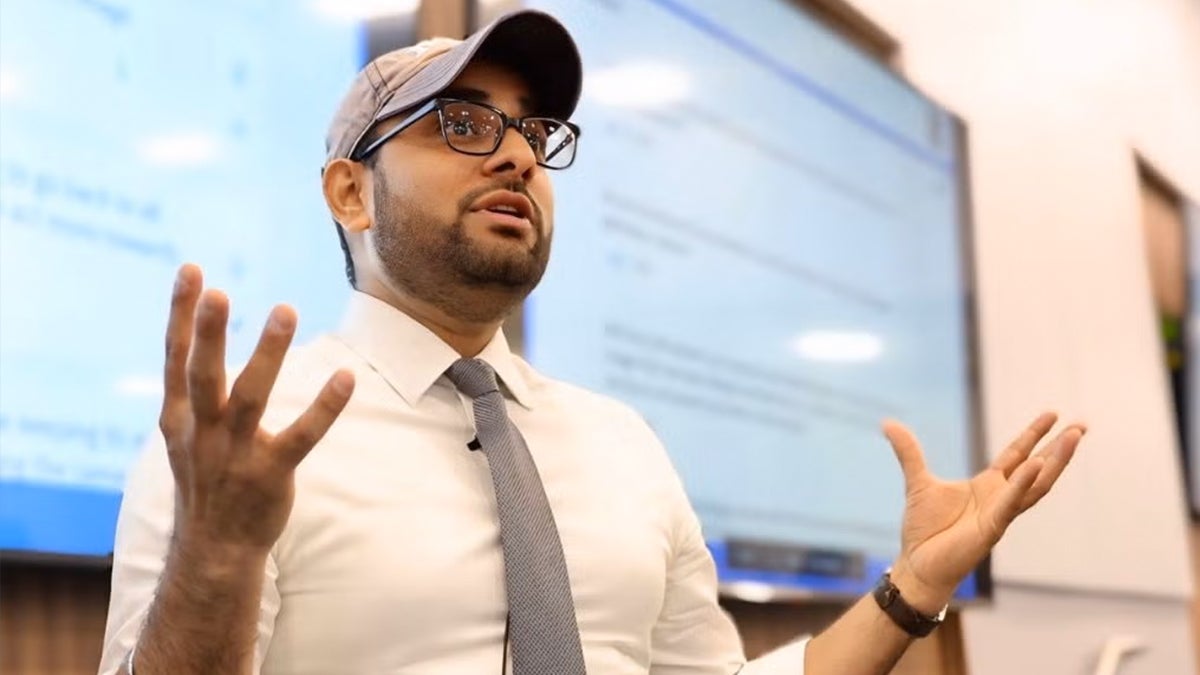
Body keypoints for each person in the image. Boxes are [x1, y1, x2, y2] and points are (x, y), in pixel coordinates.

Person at [98, 9, 1086, 675]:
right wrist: (218, 555)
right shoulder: (241, 448)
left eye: (535, 133)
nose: (520, 155)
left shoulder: (620, 444)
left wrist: (916, 585)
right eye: (461, 122)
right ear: (350, 190)